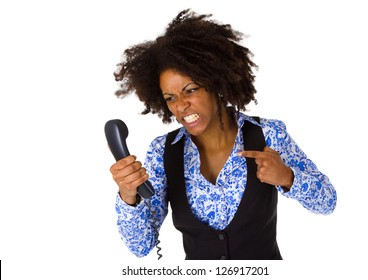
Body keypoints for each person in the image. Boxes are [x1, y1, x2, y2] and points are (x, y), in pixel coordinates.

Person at [109, 9, 337, 260]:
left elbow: (327, 202)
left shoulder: (268, 134)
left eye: (191, 90)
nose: (180, 105)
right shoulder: (163, 151)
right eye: (170, 98)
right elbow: (140, 247)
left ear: (215, 83)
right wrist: (128, 195)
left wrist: (287, 177)